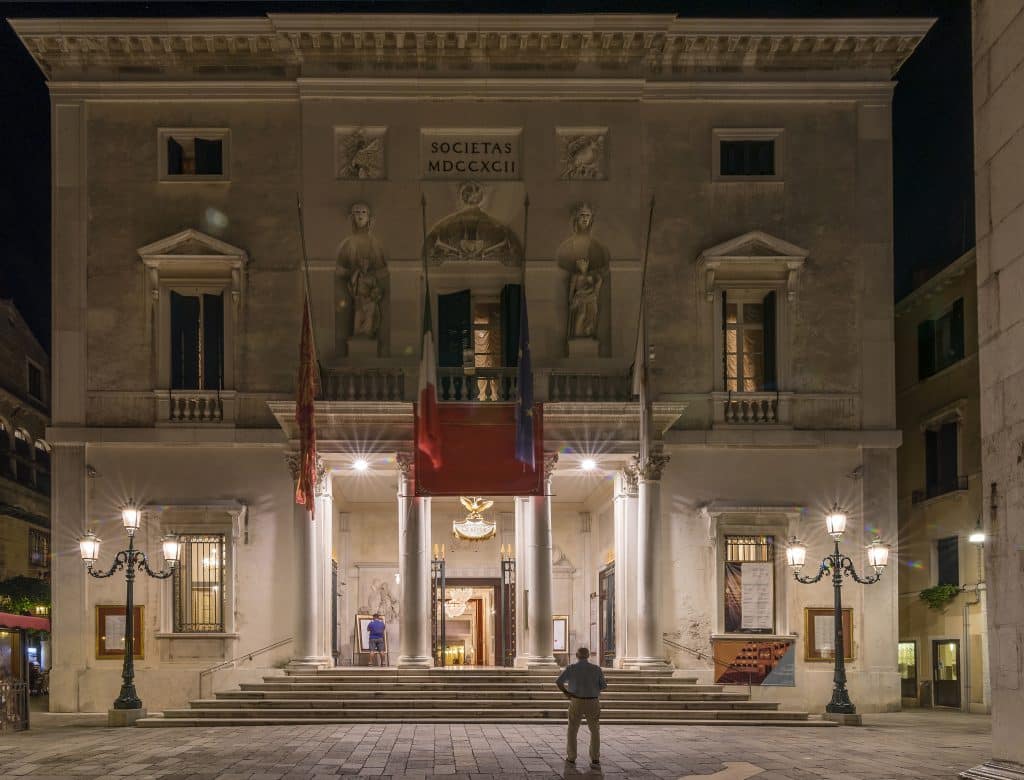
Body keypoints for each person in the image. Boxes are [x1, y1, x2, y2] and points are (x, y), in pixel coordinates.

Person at [556, 646, 607, 768]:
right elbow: (603, 686)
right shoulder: (596, 669)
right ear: (588, 656)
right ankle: (595, 758)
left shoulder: (571, 668)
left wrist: (567, 693)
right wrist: (592, 689)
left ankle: (571, 757)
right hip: (592, 701)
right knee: (594, 730)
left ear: (577, 656)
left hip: (576, 700)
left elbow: (558, 682)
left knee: (572, 730)